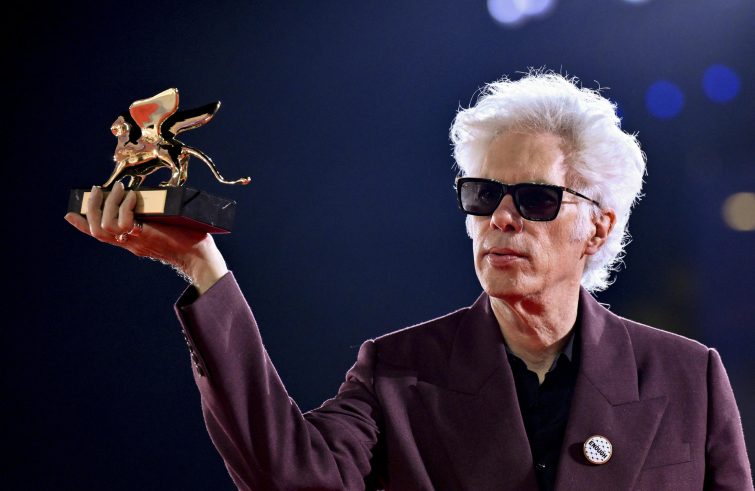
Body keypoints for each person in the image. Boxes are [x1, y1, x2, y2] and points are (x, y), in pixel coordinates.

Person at [65, 71, 751, 490]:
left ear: (598, 228)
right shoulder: (397, 370)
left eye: (536, 199)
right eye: (483, 195)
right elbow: (288, 475)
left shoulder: (687, 375)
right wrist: (201, 266)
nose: (501, 218)